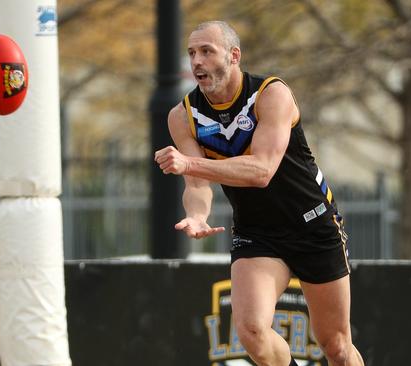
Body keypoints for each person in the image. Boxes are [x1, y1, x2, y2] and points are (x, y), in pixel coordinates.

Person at [154, 20, 364, 366]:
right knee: (250, 330)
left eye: (207, 51)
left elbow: (262, 170)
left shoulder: (270, 94)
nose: (197, 61)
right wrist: (196, 215)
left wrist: (190, 166)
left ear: (234, 56)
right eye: (192, 53)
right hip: (257, 232)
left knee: (336, 346)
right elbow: (197, 185)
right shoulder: (183, 116)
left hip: (312, 224)